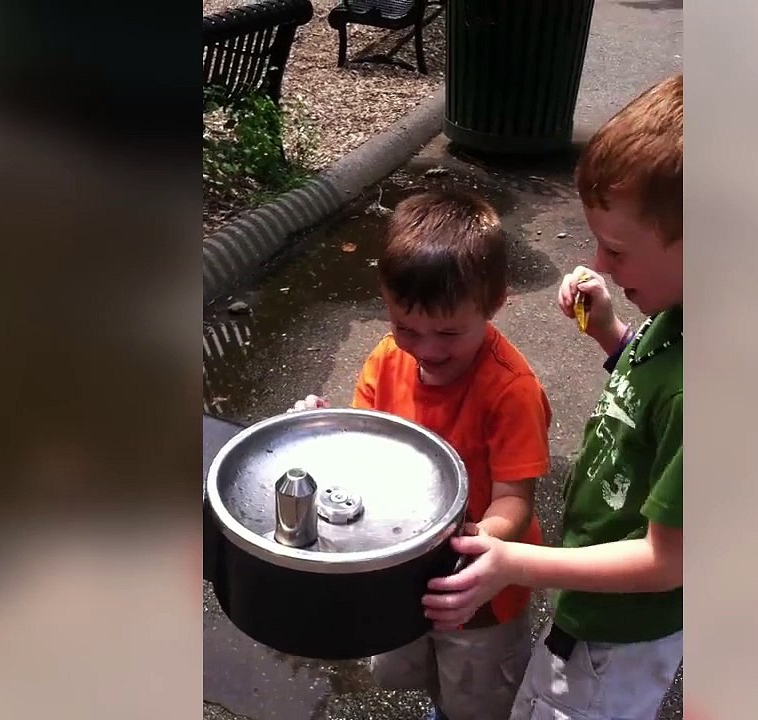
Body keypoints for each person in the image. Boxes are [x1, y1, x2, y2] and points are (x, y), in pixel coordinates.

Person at [421, 73, 685, 720]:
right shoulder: (680, 317)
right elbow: (651, 394)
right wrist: (611, 336)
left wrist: (518, 562)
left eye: (617, 248)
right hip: (592, 610)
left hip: (616, 636)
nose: (599, 260)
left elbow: (666, 561)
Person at [291, 188, 551, 720]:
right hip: (404, 570)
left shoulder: (510, 391)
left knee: (478, 692)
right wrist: (316, 429)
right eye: (407, 328)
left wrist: (475, 541)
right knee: (419, 662)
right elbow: (362, 449)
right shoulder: (387, 360)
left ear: (496, 303)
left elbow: (514, 502)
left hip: (477, 592)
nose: (427, 350)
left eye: (449, 332)